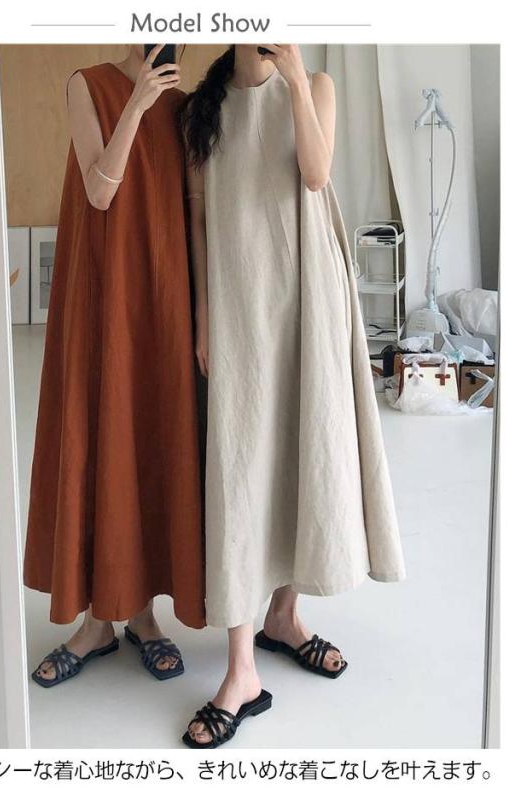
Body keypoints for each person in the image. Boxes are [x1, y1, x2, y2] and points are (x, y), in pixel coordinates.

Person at [179, 44, 406, 748]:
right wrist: (203, 316)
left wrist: (297, 81)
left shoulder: (316, 86)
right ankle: (241, 668)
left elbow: (315, 171)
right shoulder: (203, 108)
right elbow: (197, 221)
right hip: (240, 303)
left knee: (304, 446)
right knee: (240, 469)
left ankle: (284, 615)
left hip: (309, 296)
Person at [23, 45, 206, 688]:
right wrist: (137, 105)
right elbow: (100, 190)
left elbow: (194, 211)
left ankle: (144, 615)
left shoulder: (187, 108)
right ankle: (95, 622)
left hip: (161, 296)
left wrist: (200, 311)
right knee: (98, 436)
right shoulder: (88, 84)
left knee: (150, 442)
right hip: (102, 295)